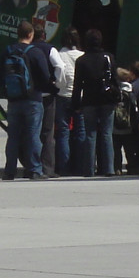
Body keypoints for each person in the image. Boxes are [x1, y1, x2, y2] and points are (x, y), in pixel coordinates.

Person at [1, 20, 51, 180]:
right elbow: (45, 76)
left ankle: (9, 171)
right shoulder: (35, 52)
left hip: (14, 100)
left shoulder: (8, 51)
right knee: (32, 135)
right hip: (33, 99)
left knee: (13, 136)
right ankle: (35, 169)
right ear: (31, 34)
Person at [70, 28, 115, 177]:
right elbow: (114, 79)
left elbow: (77, 85)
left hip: (89, 100)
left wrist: (76, 105)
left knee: (90, 134)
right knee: (107, 134)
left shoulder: (81, 61)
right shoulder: (108, 57)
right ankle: (109, 168)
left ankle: (88, 169)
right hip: (107, 100)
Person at [30, 25, 64, 177]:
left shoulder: (27, 49)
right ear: (44, 35)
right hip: (47, 96)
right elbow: (60, 67)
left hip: (30, 95)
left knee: (31, 132)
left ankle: (31, 166)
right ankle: (48, 168)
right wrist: (57, 85)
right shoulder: (50, 49)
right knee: (48, 133)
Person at [55, 28, 86, 175]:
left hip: (63, 95)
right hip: (79, 96)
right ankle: (80, 166)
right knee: (81, 131)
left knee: (63, 132)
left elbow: (59, 75)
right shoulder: (82, 55)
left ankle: (64, 167)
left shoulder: (59, 55)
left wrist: (59, 87)